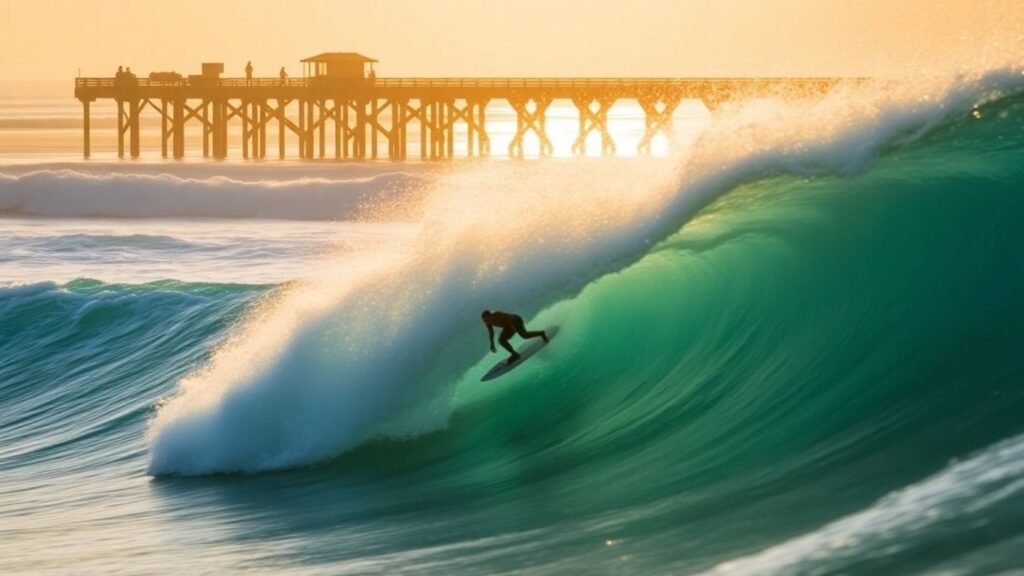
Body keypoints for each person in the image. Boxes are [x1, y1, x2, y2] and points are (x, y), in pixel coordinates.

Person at [482, 310, 548, 364]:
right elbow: (491, 333)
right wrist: (492, 344)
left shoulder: (497, 314)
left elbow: (509, 318)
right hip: (507, 326)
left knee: (524, 335)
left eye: (486, 319)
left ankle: (541, 333)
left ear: (490, 315)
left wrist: (513, 328)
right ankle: (515, 354)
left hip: (515, 320)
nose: (485, 321)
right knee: (501, 340)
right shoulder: (488, 323)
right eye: (484, 320)